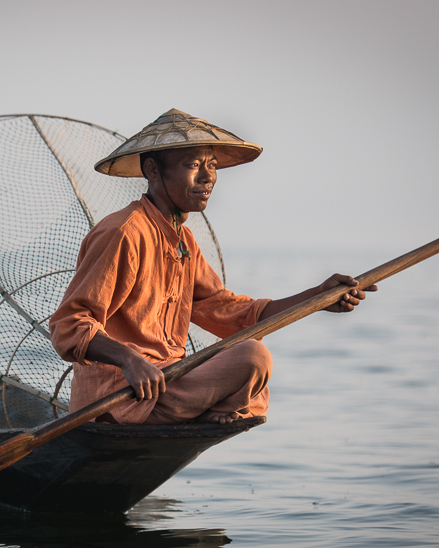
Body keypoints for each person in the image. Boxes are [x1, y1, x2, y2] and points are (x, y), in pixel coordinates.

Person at [49, 109, 375, 425]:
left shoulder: (184, 241)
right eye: (193, 165)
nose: (207, 177)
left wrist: (317, 298)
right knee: (252, 358)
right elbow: (68, 326)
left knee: (254, 367)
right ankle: (209, 409)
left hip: (168, 381)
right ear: (152, 171)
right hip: (123, 394)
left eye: (212, 166)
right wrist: (130, 360)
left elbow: (232, 314)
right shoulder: (125, 231)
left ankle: (212, 407)